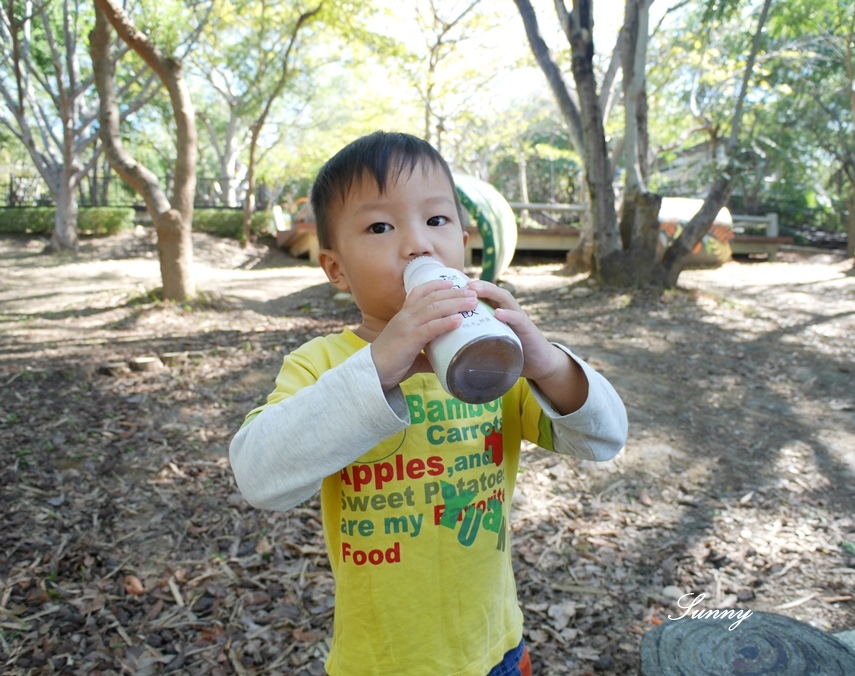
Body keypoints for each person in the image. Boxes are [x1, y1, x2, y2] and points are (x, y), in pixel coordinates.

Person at [229, 131, 628, 675]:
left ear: (463, 243)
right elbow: (259, 476)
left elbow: (603, 438)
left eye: (437, 221)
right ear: (336, 268)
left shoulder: (495, 361)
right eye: (379, 226)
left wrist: (547, 363)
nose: (418, 244)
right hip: (383, 662)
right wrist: (376, 367)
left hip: (495, 649)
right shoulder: (321, 365)